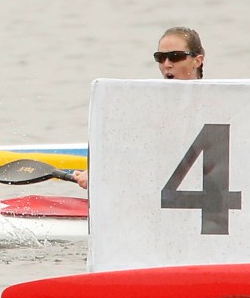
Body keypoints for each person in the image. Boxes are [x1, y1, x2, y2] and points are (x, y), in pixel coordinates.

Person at [75, 26, 204, 189]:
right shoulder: (151, 108)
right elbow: (133, 149)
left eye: (175, 57)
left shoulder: (217, 105)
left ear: (197, 61)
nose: (167, 64)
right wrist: (97, 171)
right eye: (161, 58)